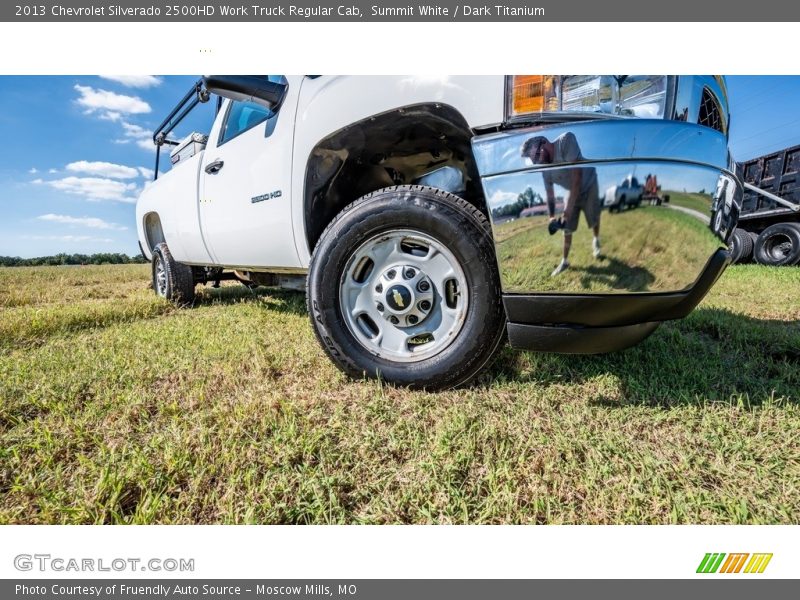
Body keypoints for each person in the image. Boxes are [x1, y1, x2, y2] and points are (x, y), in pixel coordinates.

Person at [521, 133, 601, 276]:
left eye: (537, 156)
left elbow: (577, 178)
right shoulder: (546, 171)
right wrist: (552, 217)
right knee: (566, 228)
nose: (538, 162)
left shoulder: (565, 141)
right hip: (572, 190)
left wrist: (567, 212)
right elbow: (550, 196)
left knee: (593, 217)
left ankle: (596, 239)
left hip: (588, 183)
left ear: (544, 142)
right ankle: (565, 261)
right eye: (534, 161)